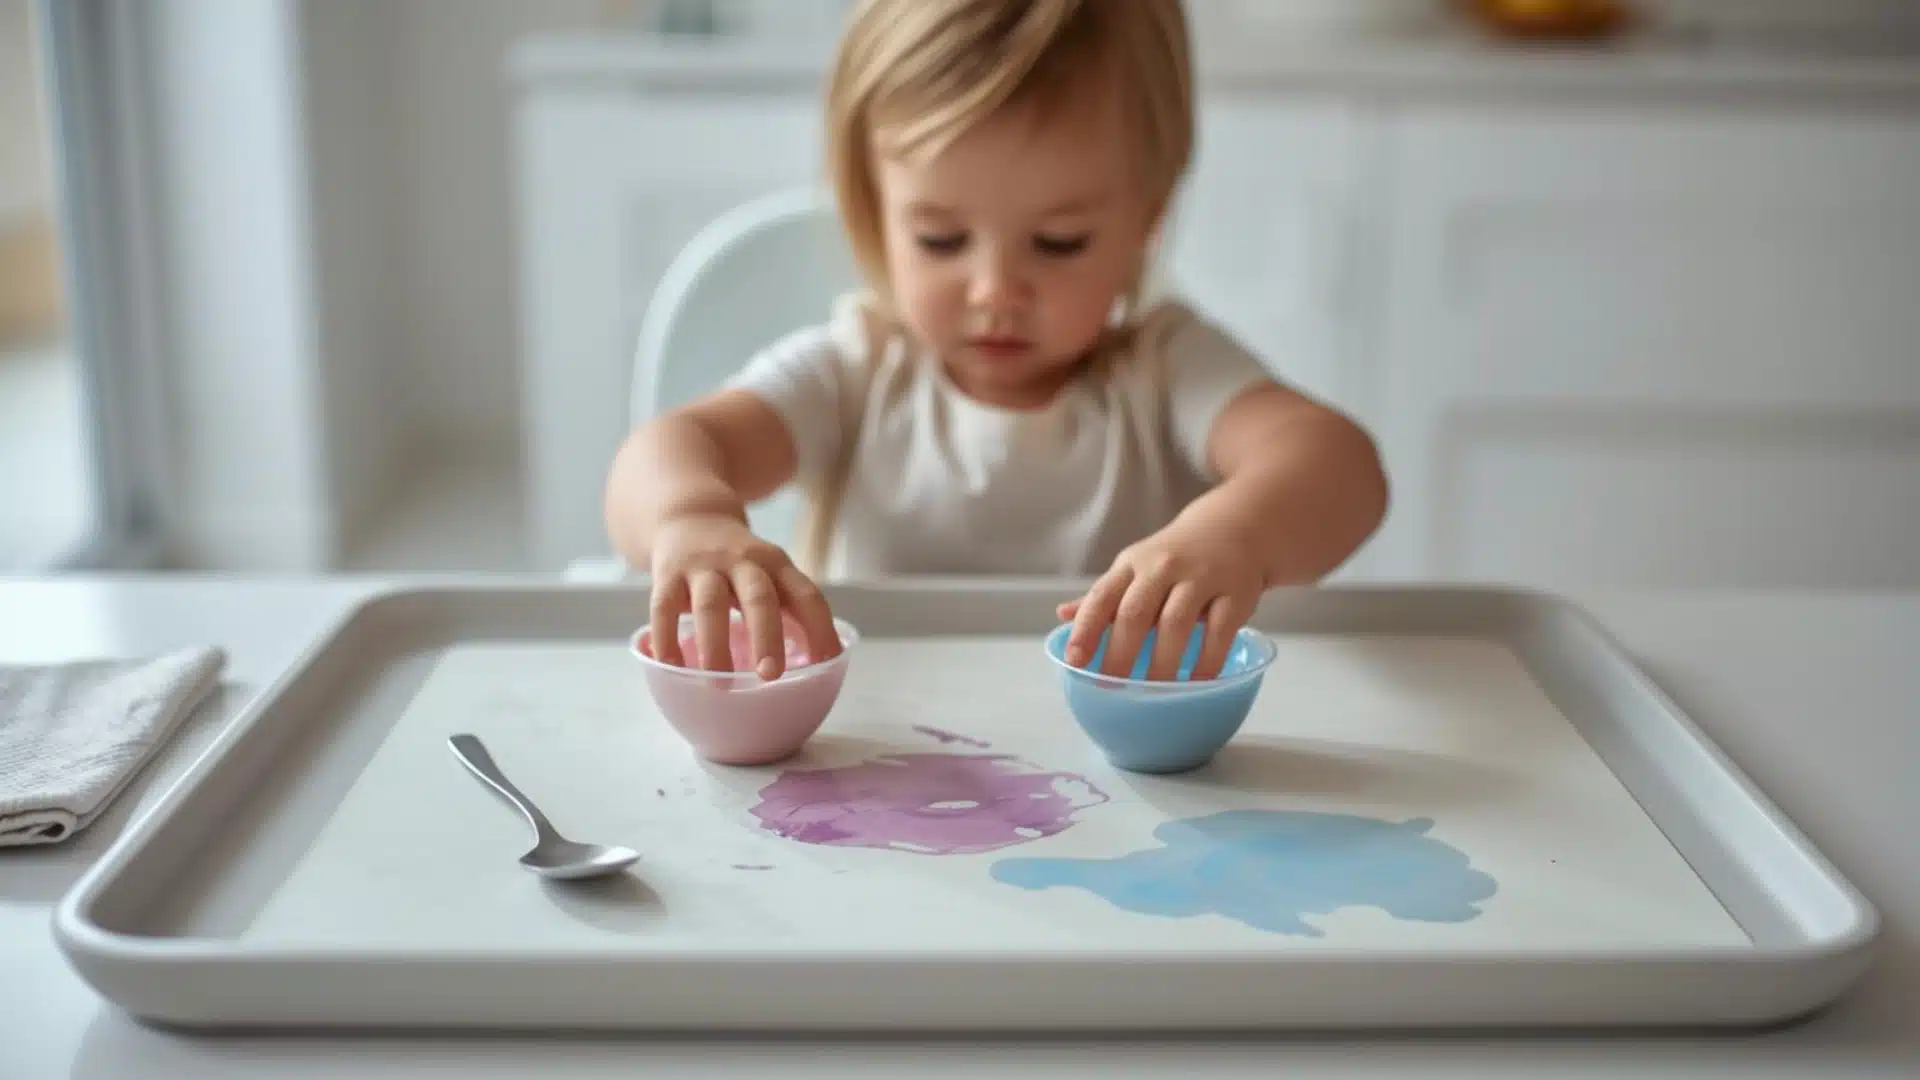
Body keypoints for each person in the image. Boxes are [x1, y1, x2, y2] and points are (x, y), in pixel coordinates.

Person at [605, 0, 1388, 684]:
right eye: (941, 239)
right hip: (882, 771)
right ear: (873, 211)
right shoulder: (855, 372)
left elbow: (1339, 465)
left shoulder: (1166, 371)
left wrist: (1237, 538)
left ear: (1147, 220)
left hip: (1124, 798)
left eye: (1059, 241)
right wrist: (689, 520)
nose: (995, 291)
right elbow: (670, 446)